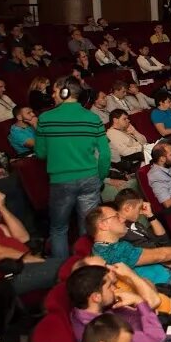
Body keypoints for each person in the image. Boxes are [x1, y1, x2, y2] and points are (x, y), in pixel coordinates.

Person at [35, 76, 110, 258]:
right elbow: (105, 155)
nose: (52, 95)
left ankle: (62, 271)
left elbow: (41, 154)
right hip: (90, 179)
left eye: (54, 91)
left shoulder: (45, 118)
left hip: (61, 181)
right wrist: (99, 178)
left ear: (64, 91)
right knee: (89, 229)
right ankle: (90, 269)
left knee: (59, 229)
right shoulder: (92, 118)